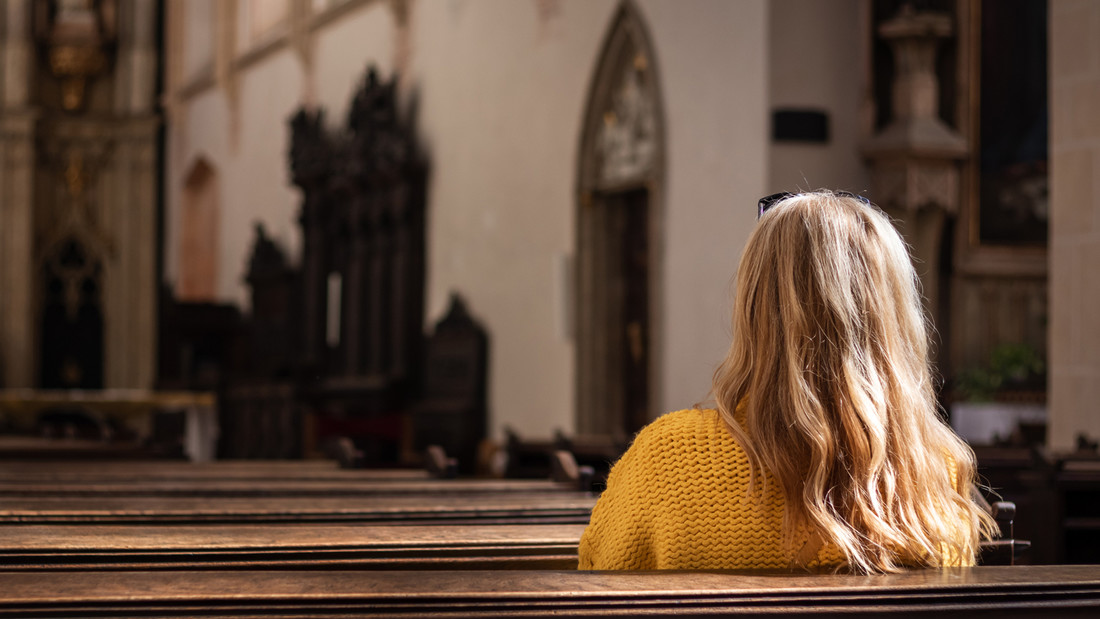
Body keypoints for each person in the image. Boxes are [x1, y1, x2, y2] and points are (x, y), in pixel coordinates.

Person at [578, 190, 997, 573]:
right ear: (892, 318)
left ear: (754, 308)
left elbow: (594, 588)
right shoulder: (934, 473)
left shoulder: (668, 459)